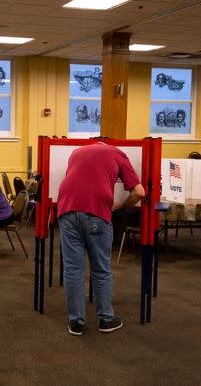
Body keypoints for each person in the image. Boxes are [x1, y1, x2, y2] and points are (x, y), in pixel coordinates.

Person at [57, 142, 145, 336]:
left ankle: (76, 322)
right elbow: (139, 192)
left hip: (66, 208)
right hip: (96, 211)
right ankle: (106, 319)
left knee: (72, 269)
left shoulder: (76, 152)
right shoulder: (118, 154)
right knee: (101, 268)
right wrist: (121, 205)